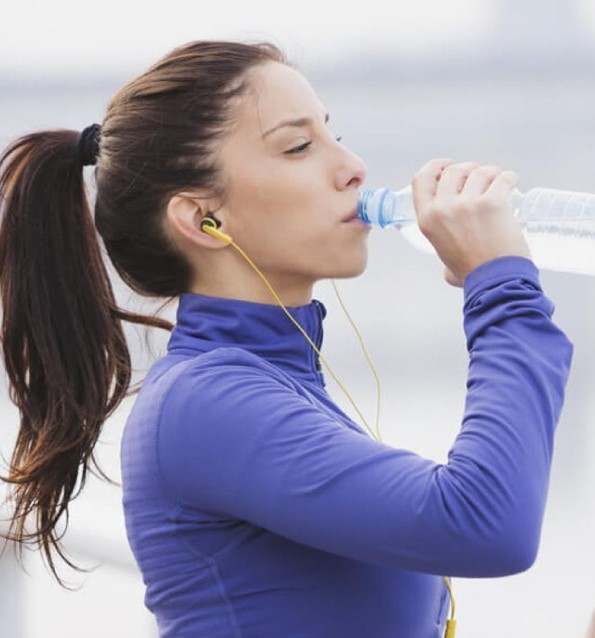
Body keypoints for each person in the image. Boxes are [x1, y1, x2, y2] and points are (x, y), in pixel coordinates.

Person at [0, 40, 573, 638]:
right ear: (202, 219)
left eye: (332, 134)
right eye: (298, 147)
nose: (353, 167)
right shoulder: (204, 402)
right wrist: (502, 290)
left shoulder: (272, 382)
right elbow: (483, 526)